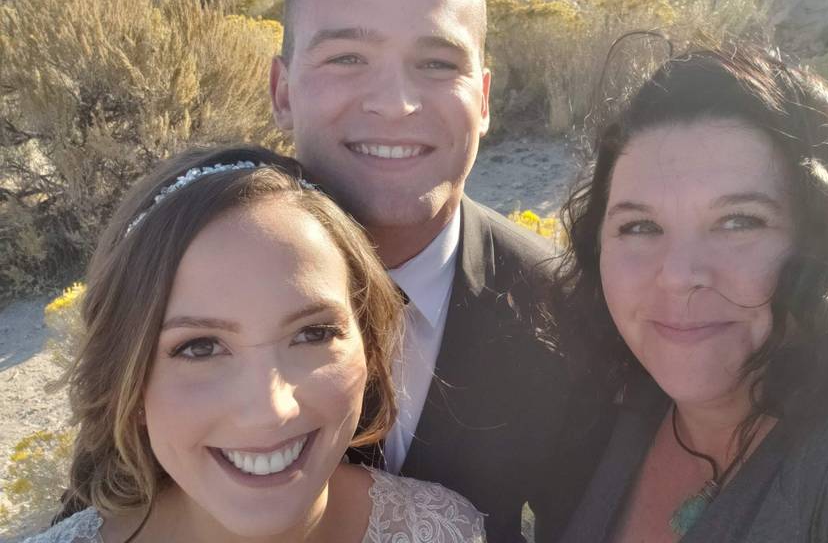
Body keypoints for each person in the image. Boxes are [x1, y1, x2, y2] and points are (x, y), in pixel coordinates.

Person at [269, 0, 602, 540]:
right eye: (347, 58)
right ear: (282, 92)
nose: (395, 103)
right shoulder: (189, 290)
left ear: (482, 100)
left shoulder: (566, 306)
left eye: (438, 63)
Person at [554, 45, 828, 542]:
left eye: (738, 222)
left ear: (826, 241)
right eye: (639, 226)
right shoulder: (610, 403)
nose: (679, 275)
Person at [25, 146, 485, 542]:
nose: (271, 411)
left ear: (368, 348)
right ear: (128, 380)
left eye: (313, 334)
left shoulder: (446, 530)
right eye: (201, 347)